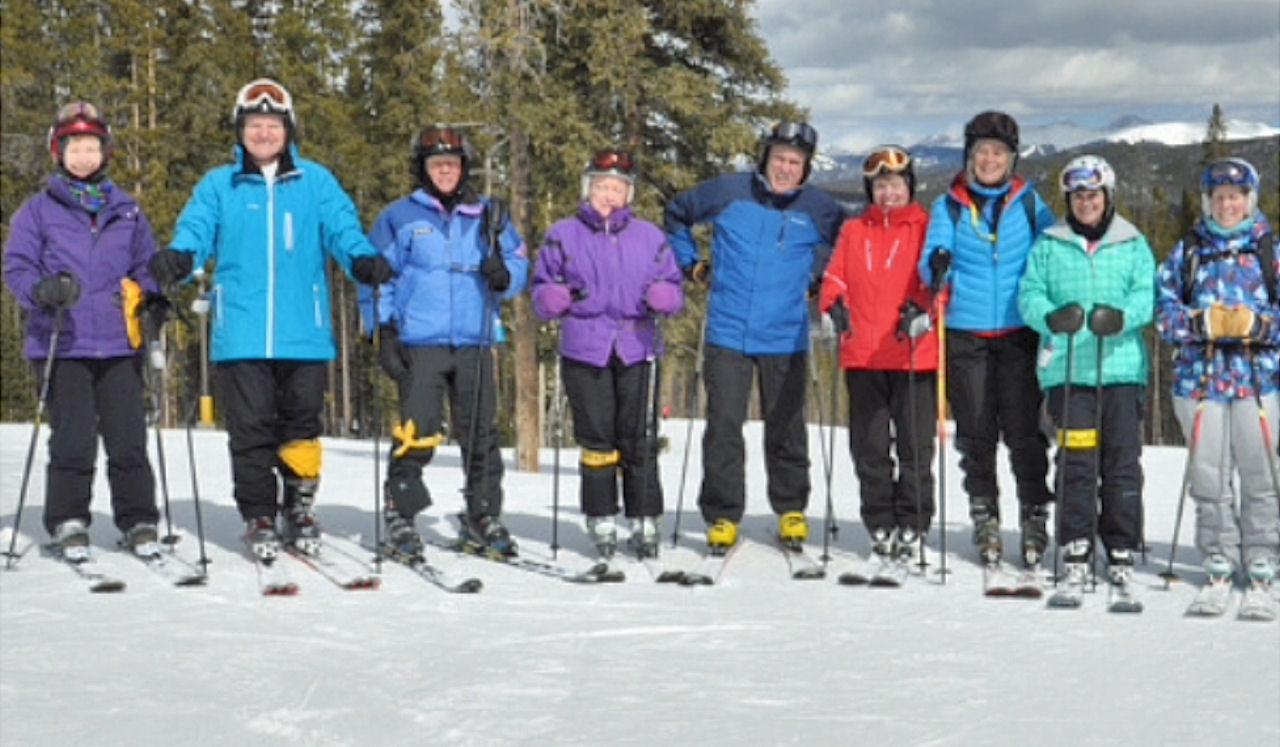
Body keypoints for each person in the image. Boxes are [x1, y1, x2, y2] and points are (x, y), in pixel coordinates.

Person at [147, 79, 393, 561]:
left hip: (304, 331)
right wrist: (181, 257)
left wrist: (362, 260)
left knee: (301, 426)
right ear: (240, 131)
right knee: (251, 429)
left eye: (273, 125)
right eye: (254, 125)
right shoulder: (219, 184)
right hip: (241, 331)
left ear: (288, 130)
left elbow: (342, 229)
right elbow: (196, 230)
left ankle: (298, 507)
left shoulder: (315, 181)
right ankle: (259, 513)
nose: (263, 133)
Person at [664, 121, 844, 552]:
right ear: (766, 159)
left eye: (795, 162)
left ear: (806, 168)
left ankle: (791, 509)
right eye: (780, 158)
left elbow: (848, 243)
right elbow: (677, 214)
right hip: (728, 331)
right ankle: (723, 514)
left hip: (786, 335)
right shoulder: (729, 191)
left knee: (787, 426)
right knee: (724, 425)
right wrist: (692, 264)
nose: (785, 168)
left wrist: (821, 276)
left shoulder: (820, 208)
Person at [3, 102, 166, 558]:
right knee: (73, 440)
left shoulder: (127, 210)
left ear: (105, 152)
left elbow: (146, 264)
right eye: (73, 148)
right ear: (57, 152)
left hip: (119, 342)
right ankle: (68, 519)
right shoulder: (38, 211)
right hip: (63, 340)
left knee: (128, 439)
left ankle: (138, 519)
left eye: (91, 147)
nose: (83, 157)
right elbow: (17, 266)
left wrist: (152, 297)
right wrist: (42, 290)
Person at [360, 126, 528, 559]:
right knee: (418, 430)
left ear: (464, 167)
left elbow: (518, 261)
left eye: (452, 164)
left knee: (481, 433)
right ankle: (401, 512)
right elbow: (376, 277)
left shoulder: (489, 215)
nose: (445, 171)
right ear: (423, 169)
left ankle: (482, 514)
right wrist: (383, 331)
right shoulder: (399, 217)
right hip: (420, 341)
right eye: (437, 164)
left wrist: (504, 276)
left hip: (475, 339)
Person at [917, 110, 1057, 569]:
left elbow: (1053, 251)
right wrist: (938, 265)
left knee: (1025, 432)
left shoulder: (1030, 203)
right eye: (982, 152)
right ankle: (985, 516)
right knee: (976, 433)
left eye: (999, 152)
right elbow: (933, 253)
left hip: (1019, 332)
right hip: (966, 334)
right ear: (969, 156)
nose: (990, 160)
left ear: (1012, 158)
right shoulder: (950, 205)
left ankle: (1034, 514)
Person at [531, 149, 684, 560]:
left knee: (639, 436)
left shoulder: (649, 236)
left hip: (637, 345)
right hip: (586, 348)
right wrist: (551, 297)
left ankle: (645, 516)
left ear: (628, 194)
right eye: (602, 187)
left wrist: (665, 296)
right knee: (597, 436)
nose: (609, 195)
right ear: (588, 189)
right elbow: (541, 286)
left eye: (617, 188)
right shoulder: (563, 233)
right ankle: (600, 515)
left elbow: (673, 284)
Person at [1019, 155, 1155, 597]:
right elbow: (1030, 293)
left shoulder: (1132, 242)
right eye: (1078, 195)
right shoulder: (1050, 243)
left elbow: (1147, 293)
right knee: (1076, 461)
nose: (1085, 202)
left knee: (1121, 461)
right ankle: (1075, 541)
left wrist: (1123, 317)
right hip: (1069, 371)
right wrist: (1050, 317)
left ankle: (1121, 543)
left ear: (1107, 196)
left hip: (1120, 370)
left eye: (1093, 194)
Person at [1155, 156, 1279, 604]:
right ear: (1209, 202)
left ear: (1250, 200)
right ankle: (1219, 551)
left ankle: (1263, 551)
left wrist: (1260, 326)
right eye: (1219, 197)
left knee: (1261, 469)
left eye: (1236, 197)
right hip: (1201, 380)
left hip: (1256, 380)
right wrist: (1198, 322)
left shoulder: (1269, 250)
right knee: (1209, 472)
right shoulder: (1188, 251)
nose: (1227, 205)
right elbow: (1163, 310)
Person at [819, 145, 937, 566]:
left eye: (896, 185)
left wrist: (926, 309)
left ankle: (913, 523)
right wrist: (832, 304)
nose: (889, 193)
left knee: (914, 447)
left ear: (910, 187)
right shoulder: (855, 231)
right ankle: (880, 522)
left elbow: (941, 281)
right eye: (881, 185)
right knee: (869, 448)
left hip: (912, 353)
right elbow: (834, 277)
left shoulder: (926, 228)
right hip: (863, 355)